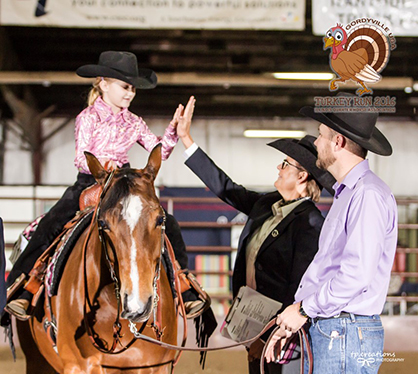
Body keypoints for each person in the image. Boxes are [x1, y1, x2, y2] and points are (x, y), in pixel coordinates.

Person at [4, 51, 184, 319]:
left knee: (165, 223)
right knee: (50, 224)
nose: (130, 94)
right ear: (103, 83)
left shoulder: (134, 122)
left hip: (122, 185)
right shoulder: (88, 117)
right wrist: (103, 164)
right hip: (90, 181)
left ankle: (184, 283)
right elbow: (80, 157)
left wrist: (173, 131)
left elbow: (160, 149)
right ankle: (23, 287)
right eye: (125, 87)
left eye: (133, 88)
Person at [176, 97, 335, 374]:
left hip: (282, 331)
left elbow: (299, 287)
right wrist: (187, 140)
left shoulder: (309, 222)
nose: (279, 168)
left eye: (285, 164)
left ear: (302, 177)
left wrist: (275, 334)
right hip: (251, 319)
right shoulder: (267, 204)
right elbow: (227, 188)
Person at [265, 93, 398, 374]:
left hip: (343, 332)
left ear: (338, 142)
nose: (315, 143)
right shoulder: (351, 194)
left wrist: (302, 310)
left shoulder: (366, 195)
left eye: (320, 134)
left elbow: (356, 274)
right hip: (338, 330)